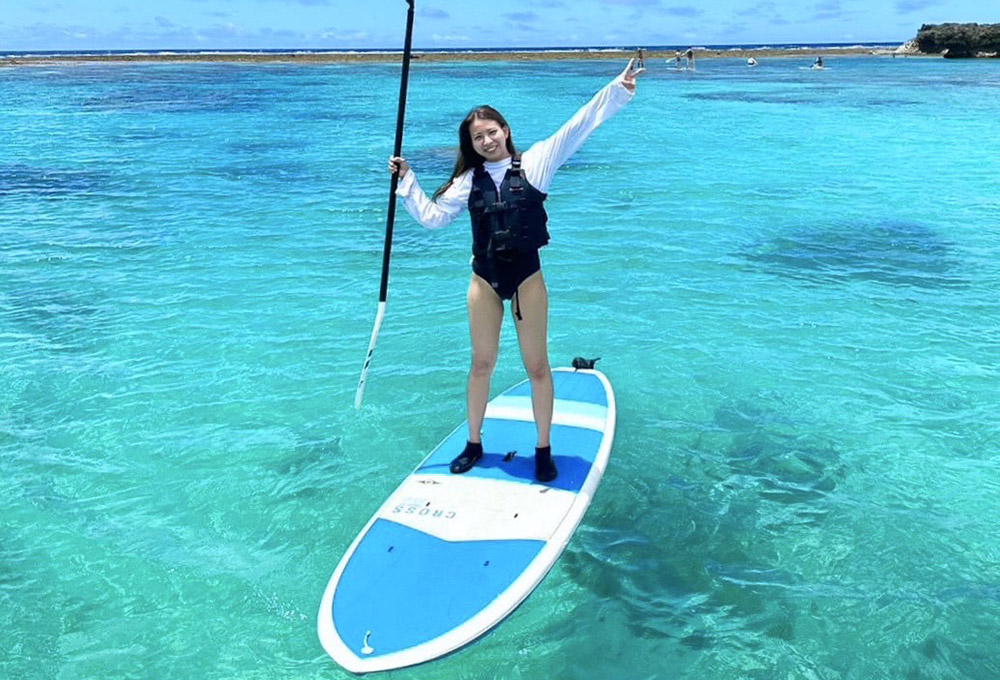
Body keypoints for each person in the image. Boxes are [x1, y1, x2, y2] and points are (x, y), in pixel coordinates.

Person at [387, 60, 644, 482]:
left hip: (527, 279)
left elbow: (578, 126)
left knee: (537, 367)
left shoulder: (537, 162)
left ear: (505, 130)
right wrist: (407, 180)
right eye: (478, 137)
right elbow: (433, 218)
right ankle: (473, 444)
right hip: (483, 281)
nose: (486, 140)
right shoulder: (468, 181)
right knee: (481, 364)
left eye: (491, 132)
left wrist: (618, 88)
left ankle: (543, 450)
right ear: (471, 144)